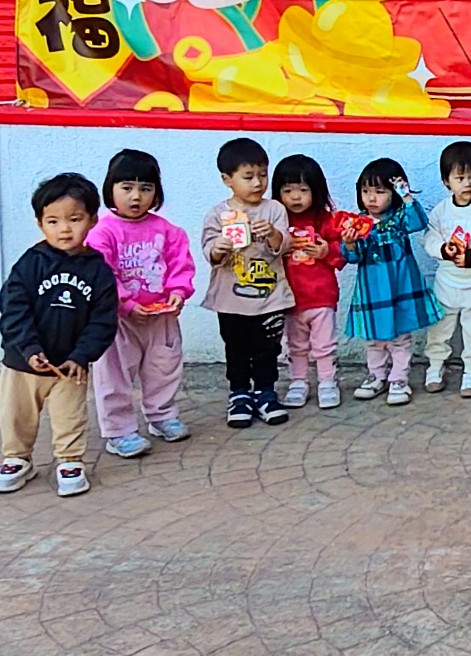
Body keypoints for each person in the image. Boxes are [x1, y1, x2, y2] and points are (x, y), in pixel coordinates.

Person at [0, 174, 117, 497]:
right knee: (15, 414)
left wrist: (81, 355)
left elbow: (103, 321)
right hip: (22, 363)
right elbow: (12, 308)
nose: (64, 229)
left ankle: (70, 461)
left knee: (70, 415)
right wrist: (28, 348)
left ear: (92, 220)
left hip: (68, 365)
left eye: (74, 219)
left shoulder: (99, 271)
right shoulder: (30, 264)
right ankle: (16, 458)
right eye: (53, 221)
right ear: (40, 223)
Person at [87, 149, 196, 458]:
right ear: (110, 189)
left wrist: (178, 291)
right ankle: (119, 431)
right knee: (115, 375)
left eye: (146, 188)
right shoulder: (102, 232)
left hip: (161, 317)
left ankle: (162, 416)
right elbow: (102, 273)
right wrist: (125, 303)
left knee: (164, 368)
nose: (136, 196)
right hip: (119, 321)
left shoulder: (168, 230)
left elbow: (181, 264)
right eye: (127, 187)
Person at [201, 138, 294, 428]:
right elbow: (209, 251)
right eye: (248, 176)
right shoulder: (218, 214)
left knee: (268, 348)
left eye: (262, 175)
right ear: (227, 179)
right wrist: (219, 247)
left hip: (270, 296)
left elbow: (284, 245)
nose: (257, 183)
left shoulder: (274, 210)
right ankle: (239, 393)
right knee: (236, 348)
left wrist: (273, 234)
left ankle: (266, 392)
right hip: (231, 298)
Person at [343, 160, 441, 407]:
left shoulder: (398, 219)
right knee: (373, 338)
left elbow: (418, 222)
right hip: (372, 291)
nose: (371, 198)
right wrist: (350, 243)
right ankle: (376, 376)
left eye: (380, 191)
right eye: (366, 191)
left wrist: (406, 195)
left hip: (400, 287)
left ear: (393, 193)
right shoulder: (358, 224)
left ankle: (399, 379)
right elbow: (352, 257)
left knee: (400, 337)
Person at [423, 142, 471, 399]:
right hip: (447, 282)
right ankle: (435, 366)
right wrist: (443, 250)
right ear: (447, 181)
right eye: (460, 178)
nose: (468, 184)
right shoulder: (441, 211)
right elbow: (429, 238)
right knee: (439, 327)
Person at [273, 154, 345, 410]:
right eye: (288, 190)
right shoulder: (277, 221)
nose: (295, 197)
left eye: (303, 190)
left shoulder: (325, 220)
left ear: (316, 190)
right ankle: (298, 381)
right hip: (290, 298)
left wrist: (327, 251)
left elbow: (343, 253)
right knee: (295, 345)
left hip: (321, 296)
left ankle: (327, 381)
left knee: (324, 344)